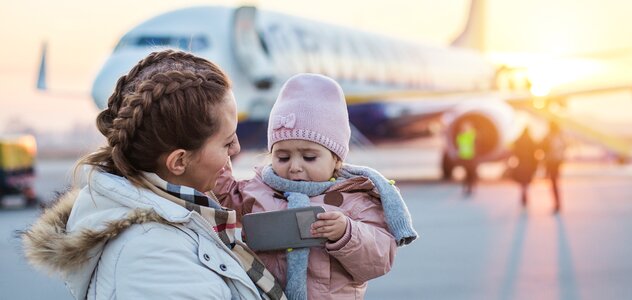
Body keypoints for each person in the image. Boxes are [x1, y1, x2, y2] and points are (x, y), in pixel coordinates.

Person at [21, 50, 285, 300]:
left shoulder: (181, 218)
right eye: (226, 143)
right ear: (179, 161)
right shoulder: (154, 259)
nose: (237, 148)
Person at [214, 73, 418, 300]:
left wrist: (347, 233)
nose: (295, 167)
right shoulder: (259, 189)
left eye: (309, 157)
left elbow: (379, 260)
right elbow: (221, 194)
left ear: (336, 160)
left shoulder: (354, 198)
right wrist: (219, 148)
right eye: (282, 157)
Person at [540, 121, 566, 213]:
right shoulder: (560, 136)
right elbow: (563, 148)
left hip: (551, 162)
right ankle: (557, 203)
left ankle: (557, 203)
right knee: (554, 182)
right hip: (557, 162)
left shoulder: (550, 137)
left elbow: (543, 147)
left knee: (553, 183)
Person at [510, 128, 539, 207]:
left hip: (521, 163)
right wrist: (535, 163)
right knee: (526, 180)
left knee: (522, 180)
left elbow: (514, 149)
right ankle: (525, 193)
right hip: (529, 163)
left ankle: (523, 194)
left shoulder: (519, 140)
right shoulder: (531, 140)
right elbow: (535, 151)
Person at [456, 121, 478, 196]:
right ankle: (467, 188)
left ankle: (470, 188)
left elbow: (475, 136)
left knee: (471, 174)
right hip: (464, 157)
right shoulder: (461, 136)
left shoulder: (471, 135)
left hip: (471, 157)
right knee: (467, 174)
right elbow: (459, 146)